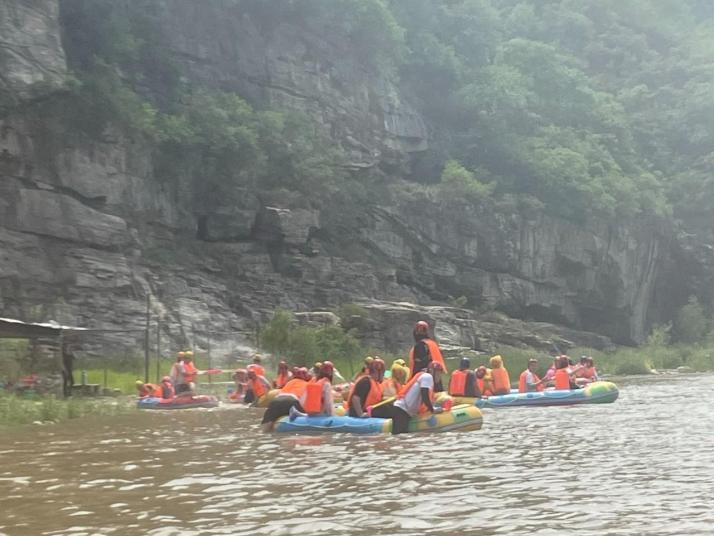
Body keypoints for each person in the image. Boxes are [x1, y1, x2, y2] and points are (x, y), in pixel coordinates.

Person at [373, 361, 444, 435]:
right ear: (432, 371)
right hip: (402, 410)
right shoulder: (427, 377)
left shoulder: (424, 377)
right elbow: (424, 395)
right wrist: (432, 409)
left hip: (404, 411)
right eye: (438, 373)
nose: (439, 376)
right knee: (399, 436)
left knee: (402, 436)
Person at [261, 368, 309, 432]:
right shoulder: (307, 384)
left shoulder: (289, 382)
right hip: (292, 401)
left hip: (275, 401)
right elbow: (303, 401)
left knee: (265, 429)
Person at [409, 321, 448, 391]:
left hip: (423, 379)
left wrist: (411, 381)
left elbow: (418, 365)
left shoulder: (419, 345)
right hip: (436, 377)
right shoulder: (433, 344)